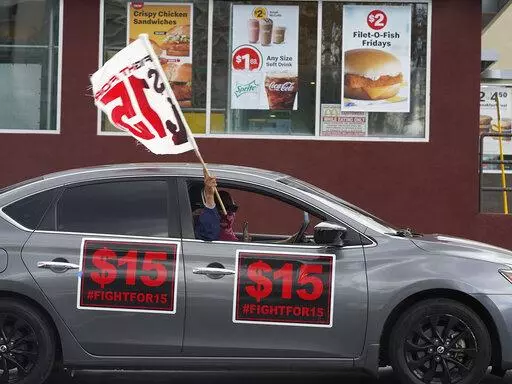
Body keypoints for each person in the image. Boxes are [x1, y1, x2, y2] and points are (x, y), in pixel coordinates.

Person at [192, 170, 240, 241]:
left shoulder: (229, 232)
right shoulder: (206, 226)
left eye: (232, 208)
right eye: (220, 207)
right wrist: (209, 196)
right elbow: (208, 234)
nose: (225, 214)